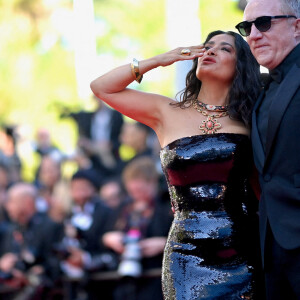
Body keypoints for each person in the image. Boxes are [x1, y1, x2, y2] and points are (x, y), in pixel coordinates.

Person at [90, 30, 263, 299]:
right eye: (208, 46)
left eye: (225, 49)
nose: (211, 51)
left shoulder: (252, 116)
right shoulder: (166, 111)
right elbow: (101, 87)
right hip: (186, 255)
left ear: (241, 66)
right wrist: (161, 59)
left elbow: (261, 189)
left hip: (242, 249)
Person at [235, 1, 300, 299]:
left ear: (297, 26)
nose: (254, 35)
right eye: (247, 27)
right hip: (271, 248)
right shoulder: (260, 91)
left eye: (264, 23)